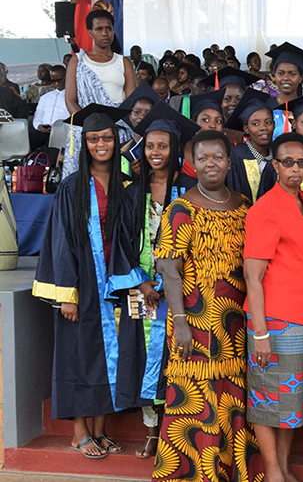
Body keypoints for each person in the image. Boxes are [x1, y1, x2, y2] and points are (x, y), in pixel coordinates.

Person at [32, 104, 144, 459]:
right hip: (82, 284)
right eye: (94, 139)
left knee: (109, 356)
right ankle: (78, 432)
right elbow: (61, 241)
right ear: (85, 144)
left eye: (107, 138)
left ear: (116, 141)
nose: (101, 144)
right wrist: (68, 294)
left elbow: (131, 239)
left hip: (116, 284)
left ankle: (100, 429)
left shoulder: (126, 186)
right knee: (78, 356)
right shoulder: (72, 188)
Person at [152, 129, 264, 481]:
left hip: (233, 322)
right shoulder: (181, 209)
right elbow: (169, 270)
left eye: (217, 157)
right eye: (203, 158)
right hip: (194, 319)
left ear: (228, 162)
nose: (210, 163)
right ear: (192, 164)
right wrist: (181, 323)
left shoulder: (244, 204)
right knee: (196, 402)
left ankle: (231, 471)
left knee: (231, 397)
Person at [243, 132, 303, 482]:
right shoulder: (266, 209)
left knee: (292, 404)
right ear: (274, 164)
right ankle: (273, 472)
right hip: (275, 320)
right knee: (266, 400)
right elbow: (253, 275)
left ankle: (285, 467)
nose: (295, 168)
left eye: (301, 162)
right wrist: (260, 332)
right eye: (287, 162)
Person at [122, 102, 199, 459]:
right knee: (146, 358)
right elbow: (119, 242)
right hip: (143, 291)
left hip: (181, 291)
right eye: (150, 146)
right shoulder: (133, 191)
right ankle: (151, 431)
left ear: (174, 149)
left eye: (163, 146)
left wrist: (175, 284)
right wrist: (140, 282)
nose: (156, 152)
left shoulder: (189, 191)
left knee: (178, 358)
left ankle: (176, 429)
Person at [63, 9, 136, 178]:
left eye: (108, 28)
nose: (105, 33)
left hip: (118, 129)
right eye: (99, 29)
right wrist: (93, 127)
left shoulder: (123, 62)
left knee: (119, 179)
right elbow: (70, 101)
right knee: (85, 180)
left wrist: (110, 128)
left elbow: (132, 102)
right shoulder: (78, 61)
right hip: (87, 129)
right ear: (90, 32)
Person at [224, 88, 275, 202]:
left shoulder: (278, 155)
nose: (263, 128)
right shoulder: (235, 157)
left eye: (268, 122)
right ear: (246, 128)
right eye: (255, 123)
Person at [265, 42, 303, 135]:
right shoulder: (266, 107)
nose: (286, 78)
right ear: (274, 75)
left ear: (301, 77)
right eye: (281, 73)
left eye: (292, 73)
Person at [32, 65, 69, 134]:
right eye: (53, 81)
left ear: (66, 77)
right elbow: (38, 115)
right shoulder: (45, 97)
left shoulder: (73, 96)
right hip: (43, 132)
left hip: (63, 131)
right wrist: (38, 126)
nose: (56, 83)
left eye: (59, 80)